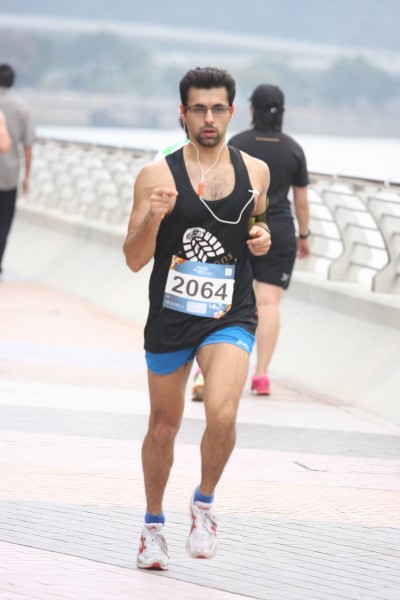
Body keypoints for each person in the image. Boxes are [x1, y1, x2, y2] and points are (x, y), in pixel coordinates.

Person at [123, 66, 271, 571]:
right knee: (163, 428)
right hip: (171, 316)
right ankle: (153, 527)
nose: (209, 118)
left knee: (222, 415)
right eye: (199, 109)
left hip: (231, 313)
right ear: (182, 113)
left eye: (218, 108)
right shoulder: (156, 176)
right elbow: (134, 258)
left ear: (232, 112)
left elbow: (259, 220)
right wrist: (153, 218)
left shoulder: (256, 171)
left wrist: (262, 237)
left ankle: (204, 504)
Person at [229, 84, 310, 395]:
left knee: (230, 299)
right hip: (280, 230)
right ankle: (261, 375)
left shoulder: (237, 144)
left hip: (240, 228)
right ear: (283, 112)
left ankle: (217, 367)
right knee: (268, 302)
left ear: (251, 109)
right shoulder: (293, 149)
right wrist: (304, 235)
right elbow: (301, 202)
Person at [0, 64, 35, 277]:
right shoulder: (22, 108)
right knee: (4, 221)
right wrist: (27, 176)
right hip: (9, 175)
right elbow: (28, 145)